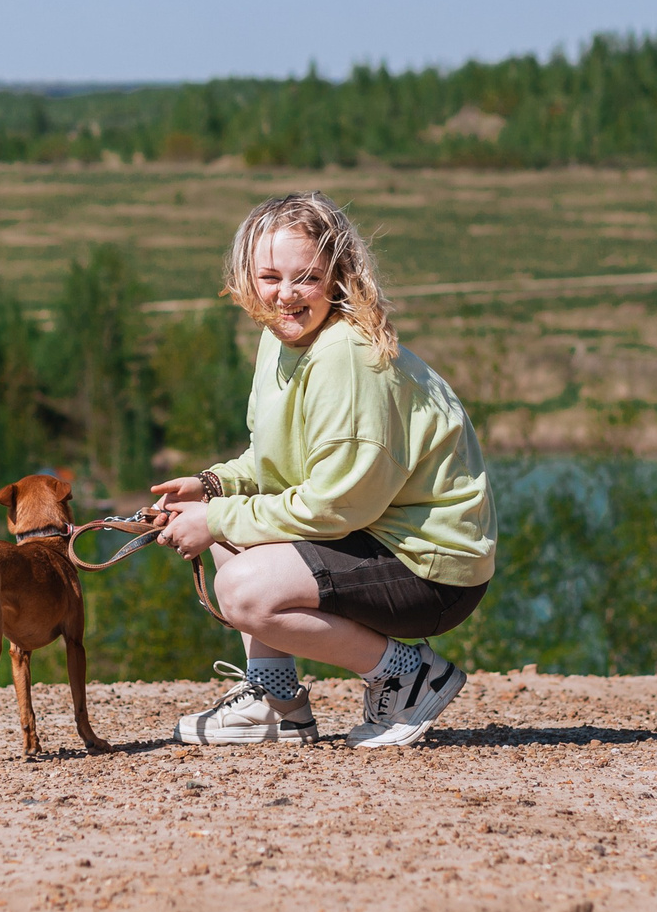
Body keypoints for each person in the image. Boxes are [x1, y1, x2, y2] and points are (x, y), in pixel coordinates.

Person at [151, 192, 496, 748]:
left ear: (338, 277)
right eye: (269, 276)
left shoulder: (346, 355)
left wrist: (217, 518)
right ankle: (275, 702)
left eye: (305, 278)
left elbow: (337, 504)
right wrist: (212, 486)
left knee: (242, 586)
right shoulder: (281, 339)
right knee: (230, 536)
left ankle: (408, 677)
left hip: (434, 567)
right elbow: (278, 462)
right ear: (247, 276)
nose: (285, 295)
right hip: (376, 533)